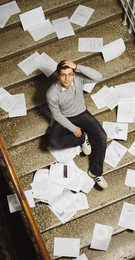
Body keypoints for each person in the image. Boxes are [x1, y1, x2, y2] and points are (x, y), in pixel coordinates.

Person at [46, 60, 108, 188]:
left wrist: (78, 66)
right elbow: (57, 115)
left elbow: (98, 76)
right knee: (54, 142)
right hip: (64, 116)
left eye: (70, 74)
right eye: (63, 74)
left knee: (102, 136)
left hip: (81, 113)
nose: (67, 78)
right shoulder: (51, 93)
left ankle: (95, 172)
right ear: (57, 75)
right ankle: (82, 138)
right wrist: (74, 129)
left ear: (74, 74)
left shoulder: (78, 79)